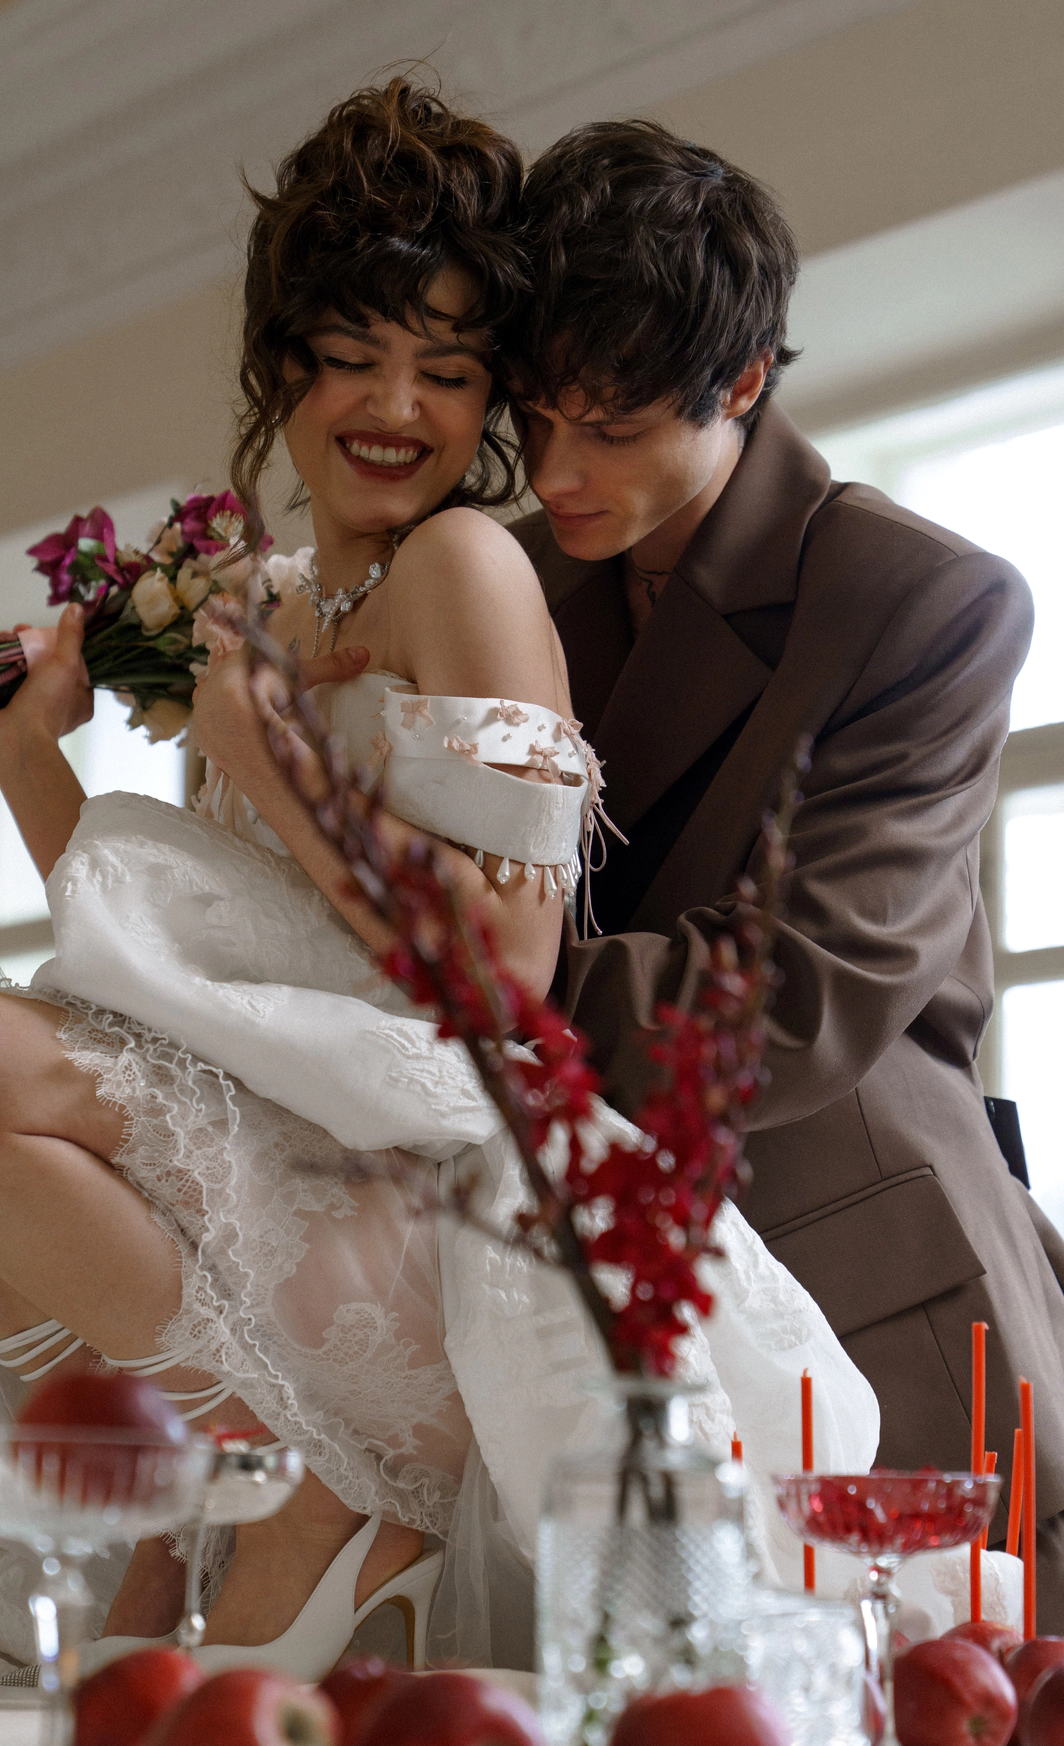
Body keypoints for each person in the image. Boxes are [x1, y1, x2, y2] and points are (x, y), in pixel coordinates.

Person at [0, 84, 879, 1689]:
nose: (398, 406)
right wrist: (26, 755)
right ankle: (222, 1487)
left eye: (449, 368)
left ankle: (305, 1500)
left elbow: (503, 971)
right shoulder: (272, 604)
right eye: (353, 354)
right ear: (280, 368)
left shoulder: (462, 566)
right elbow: (195, 957)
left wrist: (280, 759)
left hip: (413, 1184)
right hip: (283, 1158)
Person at [503, 120, 1064, 1623]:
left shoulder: (917, 598)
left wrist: (465, 978)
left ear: (745, 380)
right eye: (533, 416)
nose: (555, 471)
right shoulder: (506, 572)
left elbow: (797, 998)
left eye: (612, 426)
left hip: (856, 1263)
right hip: (581, 1295)